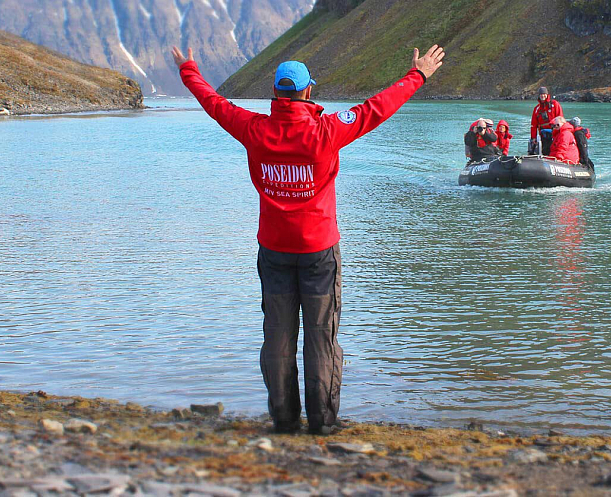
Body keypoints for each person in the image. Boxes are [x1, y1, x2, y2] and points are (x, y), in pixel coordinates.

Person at [173, 43, 446, 435]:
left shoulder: (254, 128)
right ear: (307, 92)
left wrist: (188, 69)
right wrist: (417, 75)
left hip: (273, 250)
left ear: (276, 91)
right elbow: (376, 109)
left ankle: (284, 419)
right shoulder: (327, 130)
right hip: (319, 250)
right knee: (321, 336)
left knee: (278, 335)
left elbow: (212, 101)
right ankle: (322, 422)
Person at [529, 87, 563, 156]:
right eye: (541, 94)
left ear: (547, 94)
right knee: (545, 150)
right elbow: (534, 124)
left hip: (555, 132)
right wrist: (533, 137)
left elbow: (560, 118)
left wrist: (561, 132)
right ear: (539, 95)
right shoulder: (537, 109)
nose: (542, 96)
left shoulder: (555, 104)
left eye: (544, 94)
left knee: (555, 149)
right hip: (543, 134)